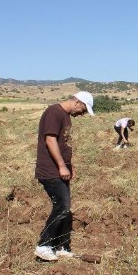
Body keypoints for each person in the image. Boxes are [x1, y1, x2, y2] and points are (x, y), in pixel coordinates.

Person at [34, 91, 94, 261]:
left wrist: (69, 166)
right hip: (50, 170)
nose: (82, 113)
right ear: (77, 102)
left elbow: (63, 143)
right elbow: (50, 141)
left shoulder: (65, 115)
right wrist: (61, 166)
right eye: (83, 108)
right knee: (62, 206)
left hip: (61, 169)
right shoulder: (54, 112)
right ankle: (44, 246)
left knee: (64, 208)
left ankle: (60, 246)